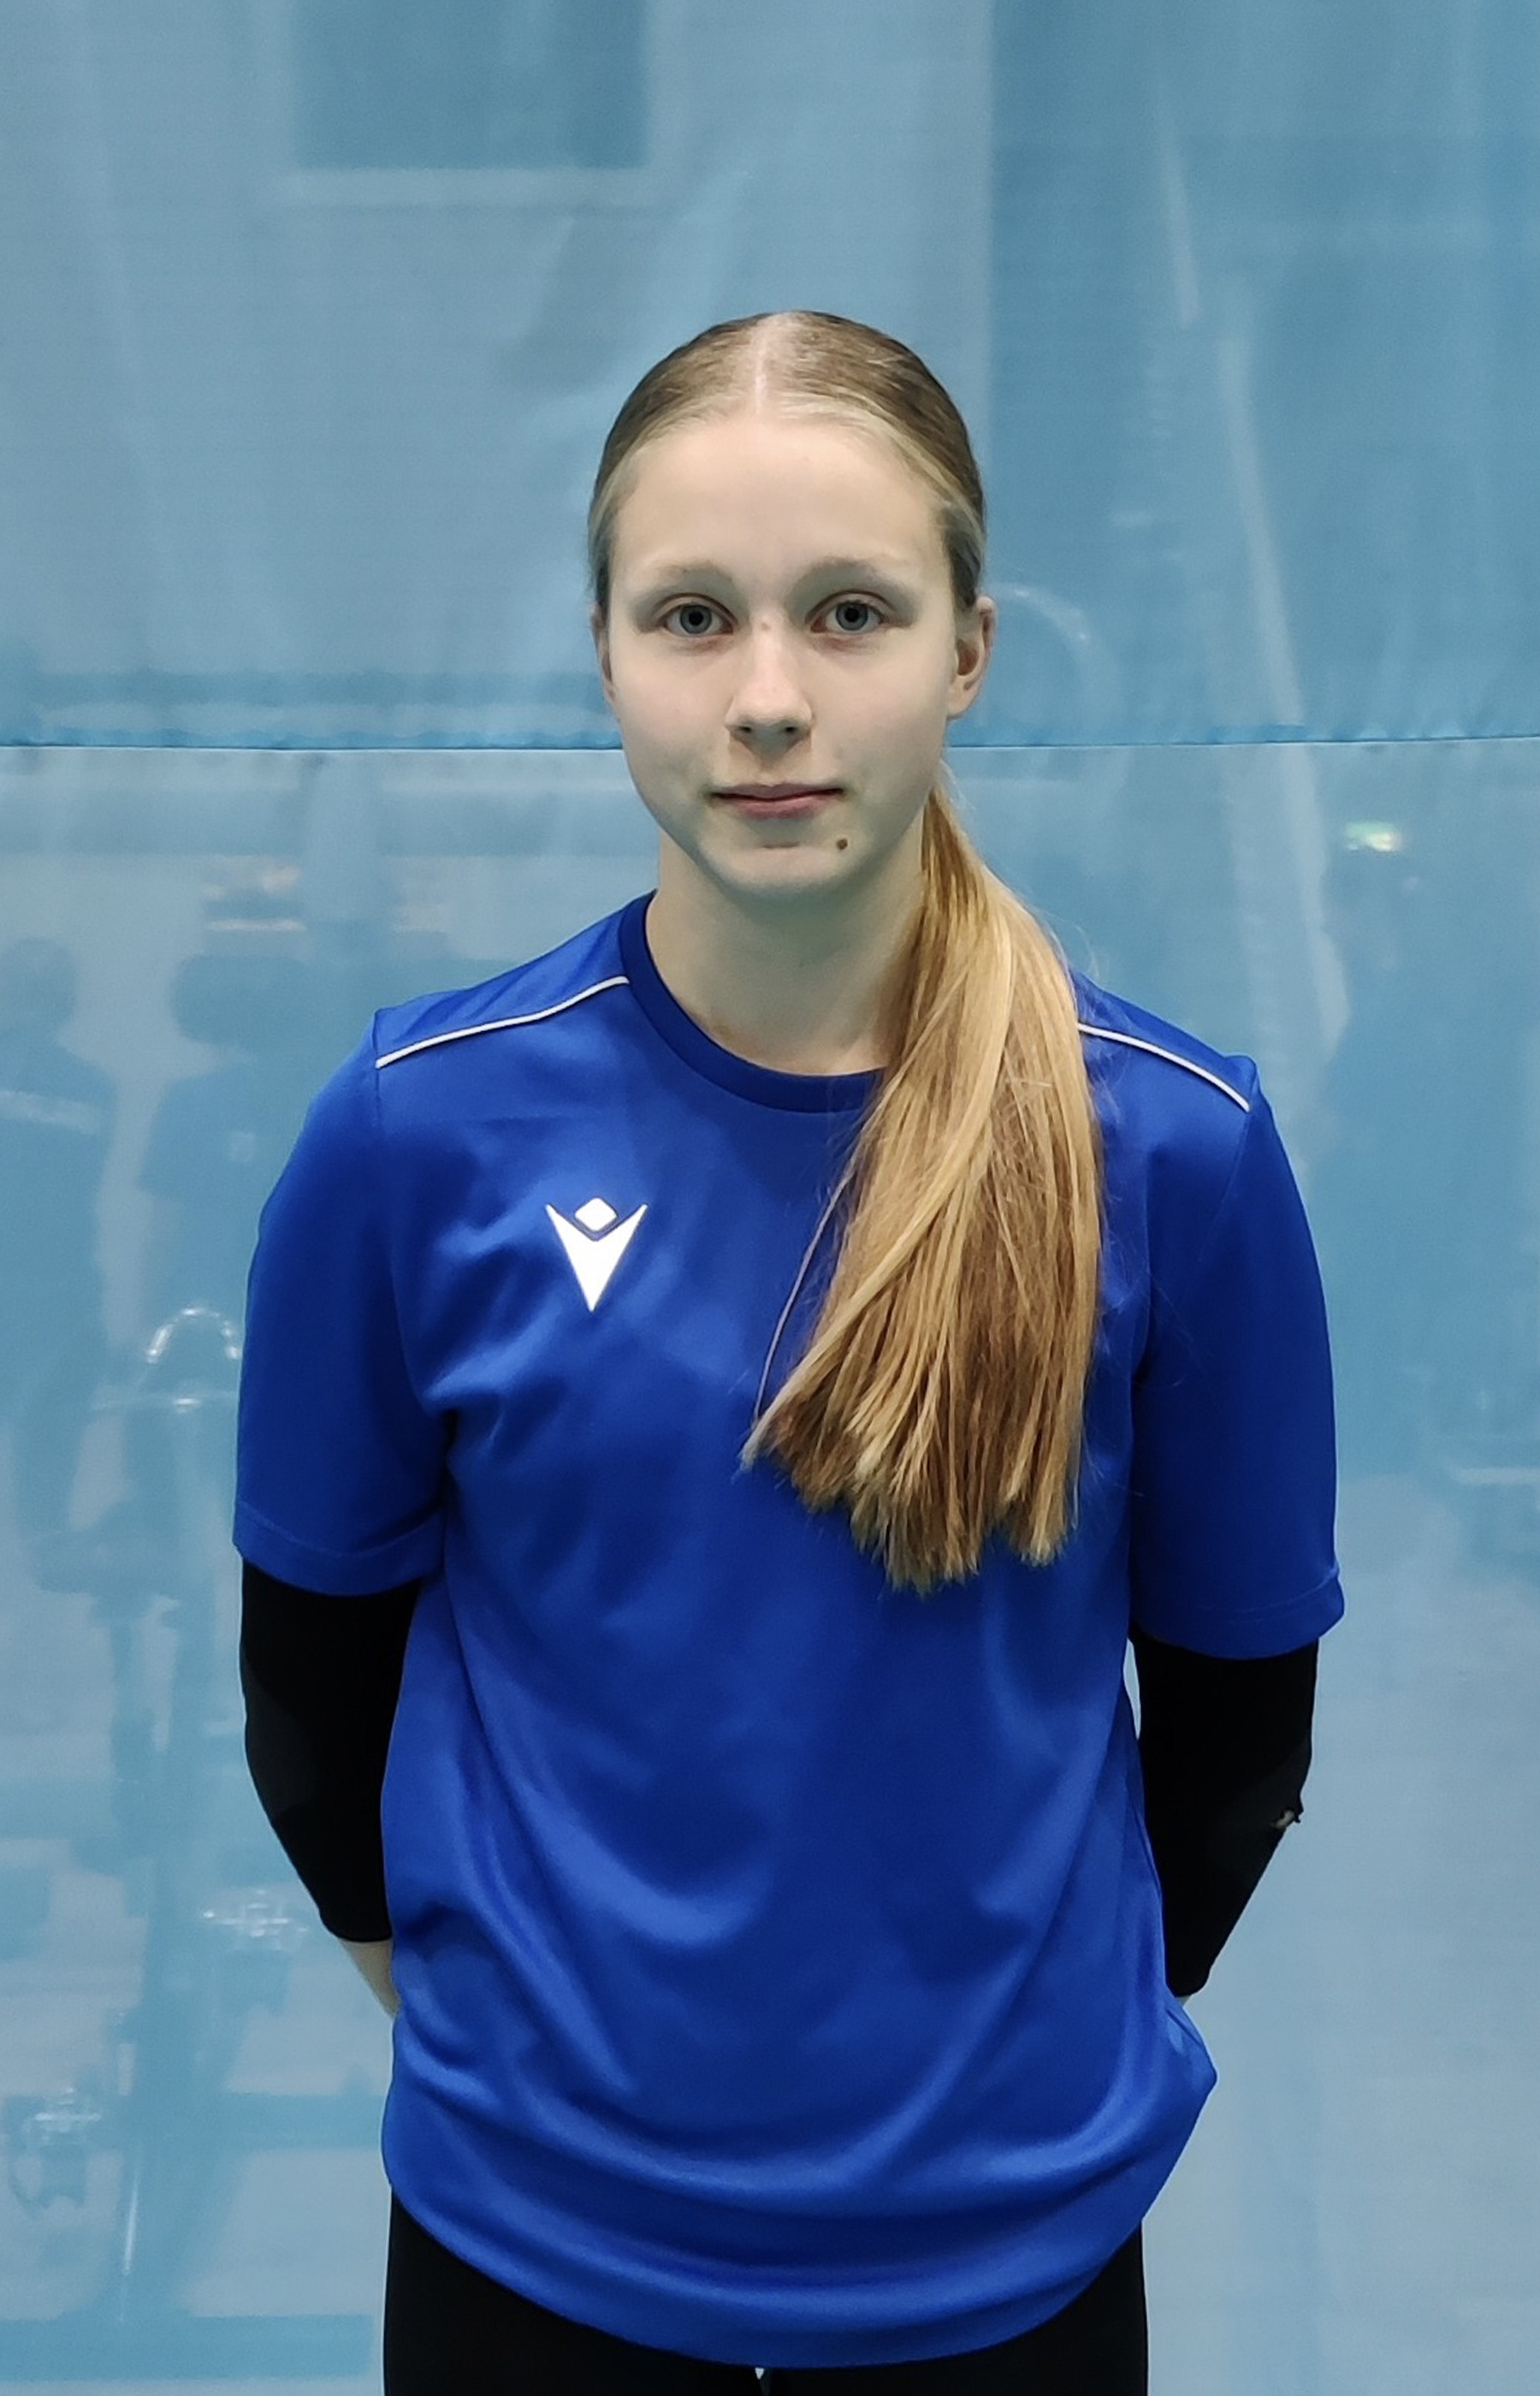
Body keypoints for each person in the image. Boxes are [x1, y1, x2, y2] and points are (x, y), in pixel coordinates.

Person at [234, 310, 1344, 2393]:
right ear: (603, 653)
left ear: (970, 650)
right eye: (692, 615)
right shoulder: (418, 1133)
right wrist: (534, 2055)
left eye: (850, 612)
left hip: (1005, 2269)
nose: (767, 697)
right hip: (529, 2252)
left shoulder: (1176, 1151)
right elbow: (312, 1692)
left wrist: (989, 2072)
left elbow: (1236, 1741)